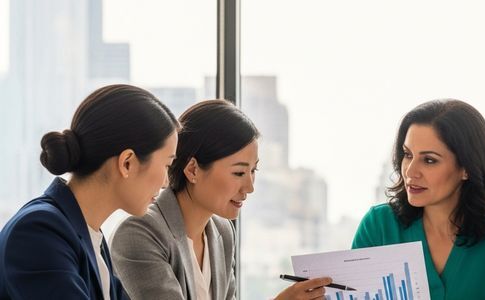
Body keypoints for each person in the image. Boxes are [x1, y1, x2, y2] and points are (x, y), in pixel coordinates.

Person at [111, 100, 331, 300]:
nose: (250, 187)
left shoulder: (222, 231)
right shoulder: (139, 234)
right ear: (193, 169)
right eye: (238, 173)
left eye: (253, 171)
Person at [0, 84, 179, 299]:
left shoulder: (90, 237)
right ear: (127, 163)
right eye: (167, 165)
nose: (166, 182)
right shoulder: (40, 232)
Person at [352, 99, 485, 299]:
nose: (410, 171)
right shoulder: (379, 225)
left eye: (429, 160)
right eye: (408, 155)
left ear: (466, 168)